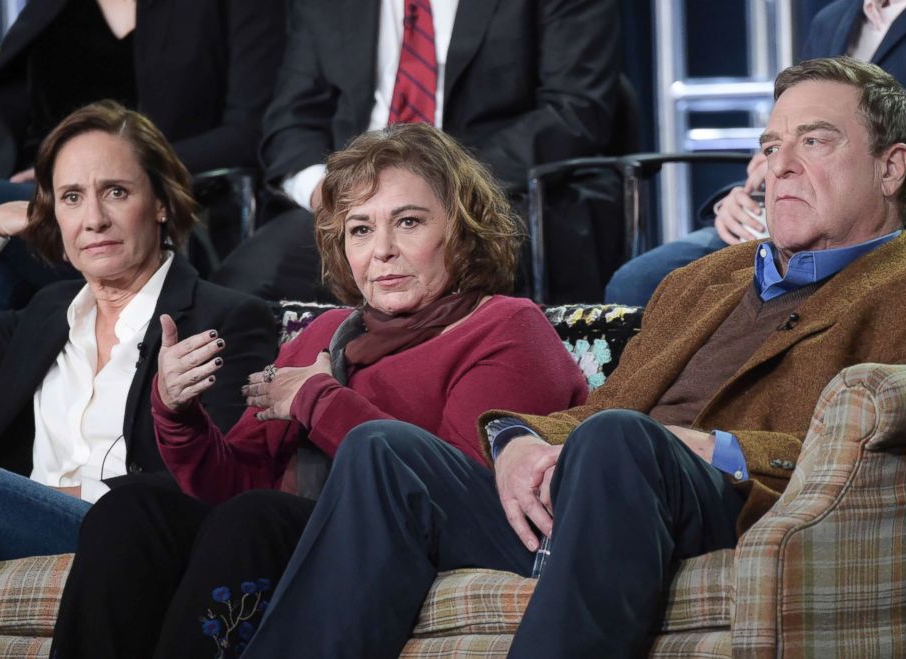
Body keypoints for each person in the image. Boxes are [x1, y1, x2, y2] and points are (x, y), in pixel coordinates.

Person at [225, 57, 906, 658]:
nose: (777, 168)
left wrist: (715, 448)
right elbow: (600, 408)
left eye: (813, 142)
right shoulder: (701, 279)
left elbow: (861, 437)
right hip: (599, 495)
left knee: (619, 441)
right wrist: (515, 441)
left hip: (733, 501)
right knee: (386, 450)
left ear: (892, 167)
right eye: (769, 147)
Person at [49, 123, 589, 658]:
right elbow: (234, 481)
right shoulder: (326, 335)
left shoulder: (505, 327)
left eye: (408, 222)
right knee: (133, 510)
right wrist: (177, 413)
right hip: (286, 528)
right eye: (359, 229)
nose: (382, 250)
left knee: (256, 519)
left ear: (463, 230)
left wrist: (318, 400)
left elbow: (443, 489)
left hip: (391, 544)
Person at [0, 101, 275, 583]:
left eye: (115, 192)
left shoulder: (228, 318)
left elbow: (221, 477)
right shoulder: (48, 312)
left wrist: (44, 498)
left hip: (125, 528)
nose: (94, 219)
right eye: (70, 197)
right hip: (6, 524)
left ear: (161, 202)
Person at [209, 0, 623, 302]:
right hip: (352, 201)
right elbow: (291, 121)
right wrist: (326, 192)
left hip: (493, 191)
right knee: (240, 289)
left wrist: (442, 182)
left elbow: (575, 109)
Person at [605, 0, 906, 306]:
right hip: (785, 215)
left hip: (903, 210)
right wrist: (747, 191)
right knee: (638, 282)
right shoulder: (831, 19)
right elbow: (792, 127)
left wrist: (815, 147)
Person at [0, 0, 285, 314]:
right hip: (57, 194)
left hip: (178, 206)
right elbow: (29, 91)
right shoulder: (55, 6)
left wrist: (128, 166)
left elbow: (250, 132)